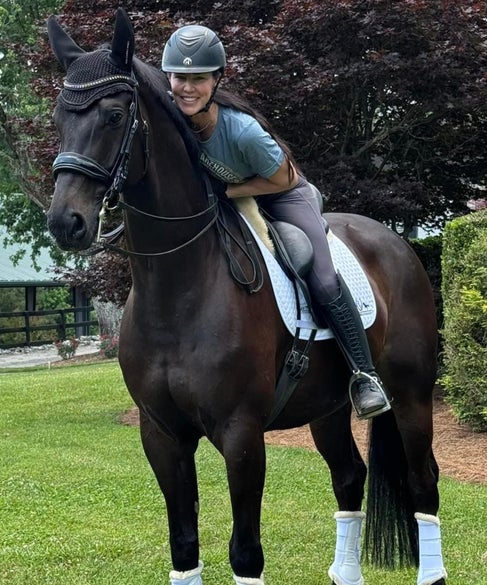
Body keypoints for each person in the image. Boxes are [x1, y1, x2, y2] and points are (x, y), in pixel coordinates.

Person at [161, 25, 391, 419]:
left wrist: (230, 191)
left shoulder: (242, 131)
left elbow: (283, 178)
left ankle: (364, 375)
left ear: (216, 80)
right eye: (180, 77)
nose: (187, 88)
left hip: (282, 195)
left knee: (322, 277)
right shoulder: (171, 118)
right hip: (229, 200)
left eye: (198, 78)